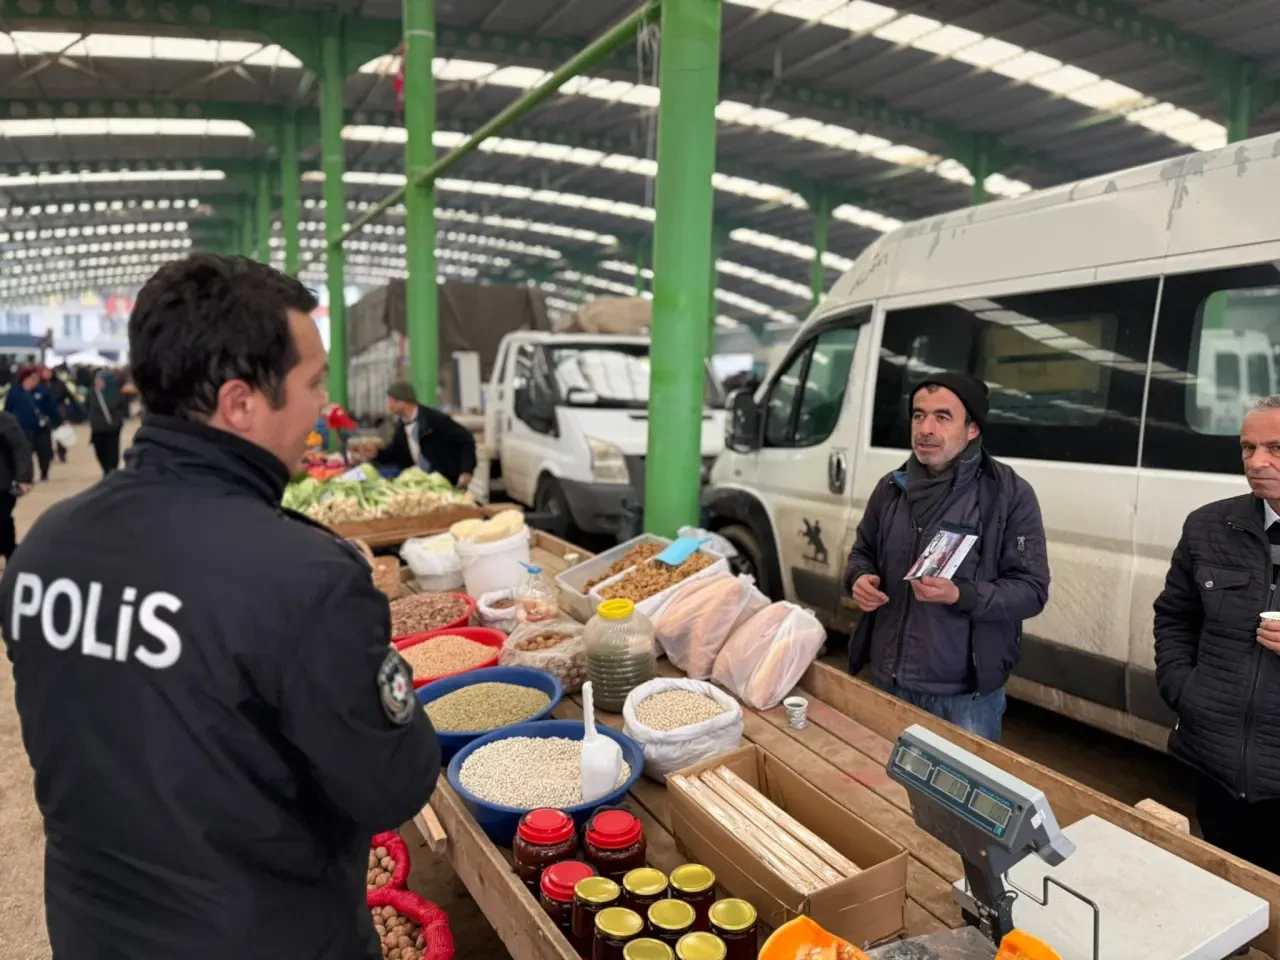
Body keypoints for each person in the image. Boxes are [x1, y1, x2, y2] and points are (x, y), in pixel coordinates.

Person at [0, 254, 441, 959]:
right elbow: (389, 786)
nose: (322, 409)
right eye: (312, 382)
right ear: (240, 402)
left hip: (95, 931)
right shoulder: (303, 579)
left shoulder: (46, 550)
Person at [842, 372, 1050, 741]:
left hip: (963, 698)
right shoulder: (891, 487)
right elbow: (862, 552)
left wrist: (961, 594)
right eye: (919, 415)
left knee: (962, 798)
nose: (925, 428)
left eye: (942, 417)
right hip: (888, 681)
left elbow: (1031, 590)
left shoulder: (1009, 496)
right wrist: (859, 578)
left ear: (972, 429)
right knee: (883, 796)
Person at [1153, 394, 1280, 873]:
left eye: (1275, 448)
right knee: (1225, 899)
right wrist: (1186, 691)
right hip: (1216, 767)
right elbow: (1174, 615)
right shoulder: (1208, 526)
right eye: (1248, 448)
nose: (1257, 462)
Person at [372, 380, 476, 488]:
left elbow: (466, 439)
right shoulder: (401, 426)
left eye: (391, 401)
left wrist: (466, 471)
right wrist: (375, 453)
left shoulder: (435, 420)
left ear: (403, 401)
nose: (389, 405)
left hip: (446, 483)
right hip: (422, 485)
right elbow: (397, 454)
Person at [5, 365, 54, 481]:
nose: (35, 381)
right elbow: (8, 409)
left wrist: (59, 421)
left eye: (37, 378)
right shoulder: (14, 392)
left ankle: (44, 472)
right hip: (22, 429)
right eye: (33, 378)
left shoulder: (43, 391)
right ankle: (26, 476)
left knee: (44, 453)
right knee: (25, 454)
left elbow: (51, 408)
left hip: (41, 429)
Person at [0, 408, 32, 558]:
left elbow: (20, 448)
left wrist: (23, 478)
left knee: (3, 521)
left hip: (2, 484)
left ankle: (10, 555)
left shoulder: (5, 420)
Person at [87, 368, 128, 475]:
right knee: (99, 450)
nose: (98, 383)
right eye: (97, 381)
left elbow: (123, 409)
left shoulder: (116, 393)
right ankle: (105, 468)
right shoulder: (92, 393)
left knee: (112, 451)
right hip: (97, 428)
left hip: (112, 428)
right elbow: (88, 407)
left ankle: (110, 471)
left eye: (100, 381)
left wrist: (117, 420)